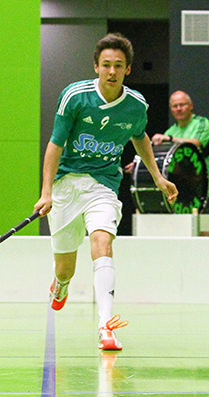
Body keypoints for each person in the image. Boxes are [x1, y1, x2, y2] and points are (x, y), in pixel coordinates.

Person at [34, 33, 178, 351]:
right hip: (66, 185)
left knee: (102, 243)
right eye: (106, 65)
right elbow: (55, 144)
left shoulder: (136, 105)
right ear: (96, 66)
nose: (112, 71)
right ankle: (61, 283)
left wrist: (158, 177)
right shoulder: (75, 96)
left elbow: (139, 137)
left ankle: (106, 326)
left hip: (103, 184)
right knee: (65, 267)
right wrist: (46, 192)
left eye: (119, 66)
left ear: (128, 69)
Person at [151, 90, 209, 213]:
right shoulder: (170, 131)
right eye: (175, 106)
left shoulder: (201, 123)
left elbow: (196, 144)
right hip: (180, 195)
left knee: (206, 225)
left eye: (182, 105)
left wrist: (170, 139)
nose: (179, 109)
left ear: (191, 106)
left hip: (205, 191)